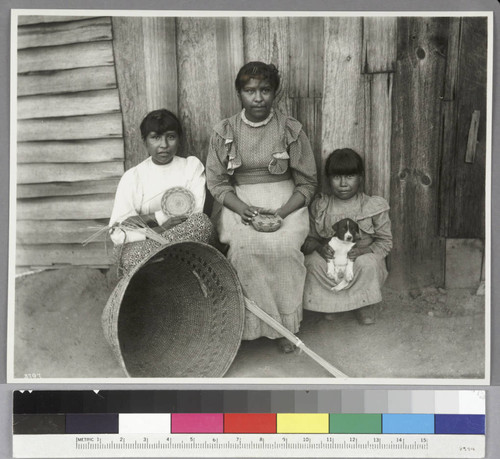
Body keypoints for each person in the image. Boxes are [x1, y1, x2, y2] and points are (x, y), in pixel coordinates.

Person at [206, 61, 317, 352]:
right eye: (250, 91)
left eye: (265, 90)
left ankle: (285, 328)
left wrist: (282, 212)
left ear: (275, 93)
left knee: (284, 248)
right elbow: (217, 183)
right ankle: (249, 326)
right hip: (240, 199)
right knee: (243, 249)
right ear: (239, 94)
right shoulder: (224, 131)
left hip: (285, 200)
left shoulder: (291, 129)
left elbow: (307, 183)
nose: (258, 98)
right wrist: (240, 207)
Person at [109, 109, 214, 276]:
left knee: (202, 223)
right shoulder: (133, 177)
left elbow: (194, 216)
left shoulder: (191, 167)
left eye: (170, 137)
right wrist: (161, 223)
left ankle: (160, 264)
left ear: (179, 139)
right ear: (144, 141)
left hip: (181, 242)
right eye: (155, 137)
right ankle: (167, 265)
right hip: (146, 247)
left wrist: (138, 221)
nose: (164, 145)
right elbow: (118, 231)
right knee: (128, 255)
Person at [302, 148, 392, 324]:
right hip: (332, 260)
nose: (343, 183)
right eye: (336, 177)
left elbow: (385, 242)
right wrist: (320, 248)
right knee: (312, 262)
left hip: (359, 257)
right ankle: (331, 303)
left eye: (349, 177)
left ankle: (363, 304)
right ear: (329, 179)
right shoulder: (321, 206)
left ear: (360, 177)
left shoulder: (372, 206)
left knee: (368, 263)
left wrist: (363, 250)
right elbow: (308, 240)